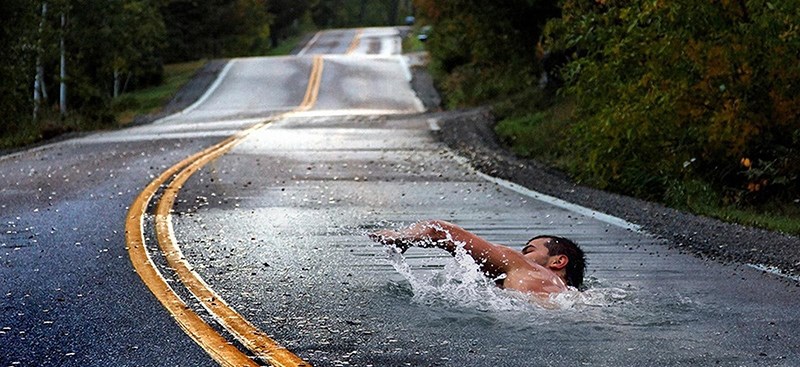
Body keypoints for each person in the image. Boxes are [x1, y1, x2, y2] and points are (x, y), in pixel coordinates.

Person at [369, 220, 586, 295]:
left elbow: (438, 229)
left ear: (558, 261)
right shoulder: (575, 297)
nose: (522, 255)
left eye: (528, 250)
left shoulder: (522, 266)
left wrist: (401, 237)